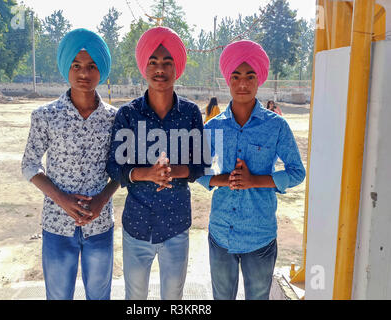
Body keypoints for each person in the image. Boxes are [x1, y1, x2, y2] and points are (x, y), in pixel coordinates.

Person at [196, 40, 306, 300]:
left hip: (260, 235)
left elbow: (296, 171)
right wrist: (223, 179)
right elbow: (196, 170)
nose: (242, 84)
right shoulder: (214, 127)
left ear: (259, 80)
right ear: (228, 80)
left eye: (249, 76)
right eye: (236, 76)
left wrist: (255, 180)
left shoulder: (276, 126)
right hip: (221, 232)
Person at [106, 27, 206, 300]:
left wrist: (174, 171)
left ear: (177, 68)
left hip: (176, 226)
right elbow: (114, 167)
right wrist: (146, 174)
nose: (159, 69)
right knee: (135, 298)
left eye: (167, 62)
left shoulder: (190, 113)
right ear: (144, 67)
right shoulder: (128, 114)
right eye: (153, 62)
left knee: (173, 297)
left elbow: (200, 165)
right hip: (137, 225)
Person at [21, 28, 119, 300]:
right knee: (58, 296)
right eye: (76, 65)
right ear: (67, 67)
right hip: (56, 225)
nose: (84, 73)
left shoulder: (115, 119)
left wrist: (102, 199)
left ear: (102, 70)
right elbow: (30, 165)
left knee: (99, 296)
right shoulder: (46, 115)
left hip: (99, 225)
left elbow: (123, 169)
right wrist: (62, 200)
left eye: (91, 66)